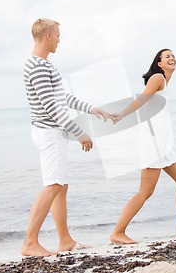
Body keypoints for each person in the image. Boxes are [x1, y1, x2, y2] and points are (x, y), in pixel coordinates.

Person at [21, 18, 110, 256]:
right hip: (49, 133)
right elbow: (51, 106)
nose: (60, 40)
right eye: (58, 35)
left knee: (61, 186)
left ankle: (65, 240)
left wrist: (92, 109)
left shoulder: (46, 65)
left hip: (54, 132)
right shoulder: (37, 66)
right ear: (48, 36)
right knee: (52, 186)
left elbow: (63, 99)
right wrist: (79, 132)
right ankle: (30, 243)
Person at [109, 49, 176, 244]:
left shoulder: (164, 80)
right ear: (159, 63)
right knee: (145, 191)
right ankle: (117, 232)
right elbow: (141, 99)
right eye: (167, 56)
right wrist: (122, 115)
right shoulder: (158, 77)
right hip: (153, 143)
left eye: (173, 55)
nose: (172, 58)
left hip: (164, 145)